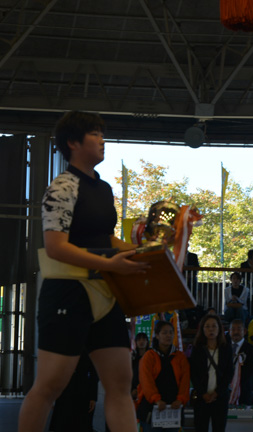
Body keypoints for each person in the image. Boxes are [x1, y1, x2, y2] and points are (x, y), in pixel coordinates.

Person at [19, 111, 149, 432]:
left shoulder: (103, 188)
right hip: (68, 292)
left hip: (104, 292)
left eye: (102, 133)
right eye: (94, 134)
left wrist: (150, 251)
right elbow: (55, 247)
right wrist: (110, 264)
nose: (102, 140)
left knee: (120, 383)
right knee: (49, 386)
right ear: (73, 143)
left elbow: (106, 238)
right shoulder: (62, 186)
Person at [137, 320, 190, 432]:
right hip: (152, 408)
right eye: (164, 332)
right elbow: (146, 381)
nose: (168, 335)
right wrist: (156, 400)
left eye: (171, 332)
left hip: (174, 408)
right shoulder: (149, 356)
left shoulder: (180, 357)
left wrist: (180, 399)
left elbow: (185, 381)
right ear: (157, 335)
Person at [189, 315, 233, 432]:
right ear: (202, 329)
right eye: (207, 326)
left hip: (220, 397)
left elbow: (229, 373)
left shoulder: (226, 348)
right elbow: (193, 374)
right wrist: (203, 393)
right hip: (201, 398)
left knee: (219, 428)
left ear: (219, 329)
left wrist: (217, 393)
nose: (211, 329)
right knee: (200, 428)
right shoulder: (197, 349)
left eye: (214, 326)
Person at [48, 353, 98, 432]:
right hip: (64, 391)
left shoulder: (89, 349)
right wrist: (51, 396)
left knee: (81, 423)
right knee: (63, 422)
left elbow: (94, 373)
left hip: (83, 392)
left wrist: (93, 396)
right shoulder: (62, 349)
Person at [228, 319, 253, 405]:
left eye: (239, 329)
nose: (236, 332)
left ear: (245, 331)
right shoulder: (223, 349)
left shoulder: (252, 350)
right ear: (229, 331)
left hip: (245, 393)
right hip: (226, 393)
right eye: (233, 329)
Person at [132, 332, 150, 400]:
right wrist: (132, 389)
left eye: (144, 339)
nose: (141, 341)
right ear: (136, 342)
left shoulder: (151, 356)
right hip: (135, 390)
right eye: (139, 340)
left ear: (147, 342)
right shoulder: (132, 357)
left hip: (148, 389)